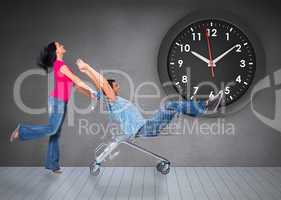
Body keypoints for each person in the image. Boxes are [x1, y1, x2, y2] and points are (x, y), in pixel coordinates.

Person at [75, 59, 224, 139]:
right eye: (115, 86)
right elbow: (102, 83)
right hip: (146, 128)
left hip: (146, 126)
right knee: (171, 104)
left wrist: (72, 77)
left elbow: (86, 88)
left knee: (172, 105)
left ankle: (202, 108)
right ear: (110, 89)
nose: (118, 87)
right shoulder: (112, 100)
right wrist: (88, 68)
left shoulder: (106, 99)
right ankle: (205, 106)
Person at [9, 42, 95, 173]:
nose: (62, 45)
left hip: (61, 101)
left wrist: (90, 95)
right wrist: (92, 91)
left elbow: (75, 85)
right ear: (56, 51)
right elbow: (77, 79)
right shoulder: (61, 65)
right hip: (57, 101)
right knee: (53, 129)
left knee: (55, 133)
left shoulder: (62, 66)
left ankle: (52, 164)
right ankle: (22, 131)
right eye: (59, 45)